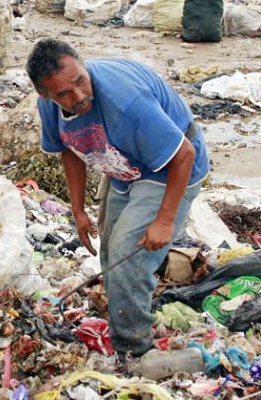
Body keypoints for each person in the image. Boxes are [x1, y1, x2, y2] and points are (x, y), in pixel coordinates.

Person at [26, 39, 209, 357]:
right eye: (64, 94)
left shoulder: (124, 101)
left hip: (168, 168)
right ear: (46, 95)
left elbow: (184, 154)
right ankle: (123, 316)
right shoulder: (50, 105)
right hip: (124, 166)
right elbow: (69, 149)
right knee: (111, 253)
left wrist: (165, 220)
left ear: (83, 66)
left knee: (130, 258)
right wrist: (78, 210)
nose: (79, 96)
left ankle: (136, 351)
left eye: (80, 82)